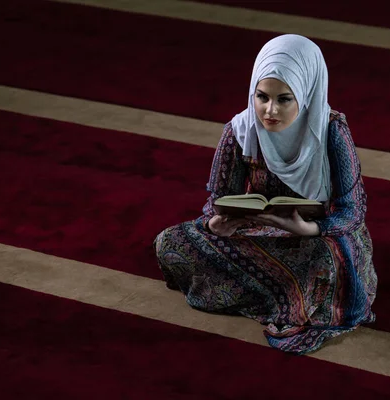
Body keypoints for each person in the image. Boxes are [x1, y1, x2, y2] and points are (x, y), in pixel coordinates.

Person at [154, 34, 377, 355]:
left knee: (331, 259)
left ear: (307, 93)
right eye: (262, 96)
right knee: (172, 242)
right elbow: (217, 199)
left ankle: (273, 290)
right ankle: (282, 292)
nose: (269, 110)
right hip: (259, 229)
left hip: (318, 234)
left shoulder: (331, 131)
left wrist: (309, 228)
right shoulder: (239, 129)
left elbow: (352, 212)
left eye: (284, 99)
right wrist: (217, 222)